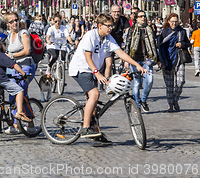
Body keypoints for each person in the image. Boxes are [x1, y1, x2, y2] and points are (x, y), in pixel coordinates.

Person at [69, 13, 147, 145]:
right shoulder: (90, 36)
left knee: (94, 102)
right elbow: (87, 57)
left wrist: (137, 65)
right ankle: (85, 128)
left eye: (112, 26)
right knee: (94, 94)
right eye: (108, 26)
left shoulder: (108, 38)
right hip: (81, 68)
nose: (111, 28)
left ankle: (96, 132)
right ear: (100, 26)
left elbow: (120, 53)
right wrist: (97, 73)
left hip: (92, 70)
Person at [0, 32, 31, 137]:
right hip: (0, 80)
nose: (6, 45)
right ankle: (19, 112)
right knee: (19, 90)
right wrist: (23, 73)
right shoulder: (0, 55)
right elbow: (13, 65)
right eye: (4, 43)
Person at [4, 12, 36, 134]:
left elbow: (27, 50)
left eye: (16, 20)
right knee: (13, 95)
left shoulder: (23, 33)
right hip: (12, 67)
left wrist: (11, 55)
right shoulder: (8, 35)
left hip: (25, 66)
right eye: (11, 21)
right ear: (8, 24)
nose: (15, 23)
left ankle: (30, 123)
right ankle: (14, 125)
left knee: (21, 93)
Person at [124, 10, 158, 113]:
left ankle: (143, 100)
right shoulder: (132, 29)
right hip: (135, 60)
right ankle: (137, 105)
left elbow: (154, 45)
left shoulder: (149, 29)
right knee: (137, 83)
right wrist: (126, 59)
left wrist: (158, 59)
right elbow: (128, 45)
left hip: (147, 59)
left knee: (150, 80)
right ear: (136, 18)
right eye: (141, 16)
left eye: (144, 16)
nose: (143, 18)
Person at [157, 13, 191, 113]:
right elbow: (159, 46)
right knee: (169, 85)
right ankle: (170, 104)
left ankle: (175, 100)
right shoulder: (164, 32)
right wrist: (159, 60)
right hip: (167, 60)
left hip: (179, 59)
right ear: (168, 21)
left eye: (176, 21)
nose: (174, 23)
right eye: (172, 21)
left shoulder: (182, 31)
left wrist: (182, 44)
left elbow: (188, 43)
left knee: (181, 82)